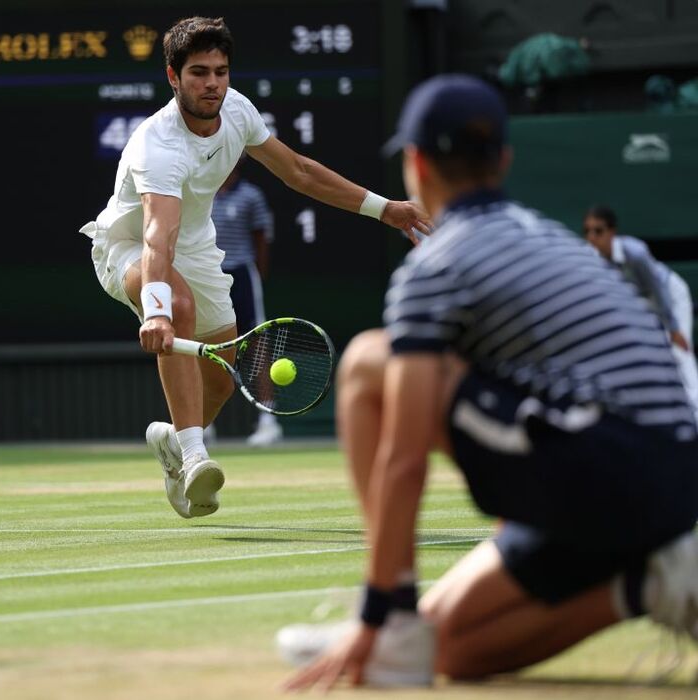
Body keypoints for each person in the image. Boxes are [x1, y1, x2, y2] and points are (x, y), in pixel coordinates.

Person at [280, 74, 698, 690]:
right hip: (672, 476)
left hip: (615, 465)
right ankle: (658, 585)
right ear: (503, 159)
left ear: (415, 164)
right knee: (454, 651)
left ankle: (395, 621)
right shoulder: (556, 242)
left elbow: (403, 456)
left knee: (370, 363)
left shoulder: (437, 266)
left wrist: (377, 609)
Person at [80, 17, 429, 519]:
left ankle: (174, 451)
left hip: (197, 249)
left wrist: (384, 208)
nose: (212, 84)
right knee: (176, 303)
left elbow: (300, 172)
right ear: (173, 77)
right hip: (129, 246)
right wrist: (155, 311)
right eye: (198, 72)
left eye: (220, 71)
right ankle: (197, 457)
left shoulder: (238, 110)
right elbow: (159, 236)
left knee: (221, 378)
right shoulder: (156, 144)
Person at [583, 205, 698, 422]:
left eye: (598, 231)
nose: (592, 237)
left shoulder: (635, 252)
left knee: (680, 353)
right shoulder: (590, 259)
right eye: (587, 231)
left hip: (670, 296)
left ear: (612, 232)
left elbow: (658, 289)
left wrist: (673, 328)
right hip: (644, 303)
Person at [209, 156, 283, 446]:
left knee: (256, 343)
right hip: (209, 276)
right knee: (206, 345)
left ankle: (268, 421)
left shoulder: (252, 196)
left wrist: (256, 278)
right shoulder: (201, 194)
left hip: (242, 274)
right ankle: (203, 425)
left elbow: (262, 240)